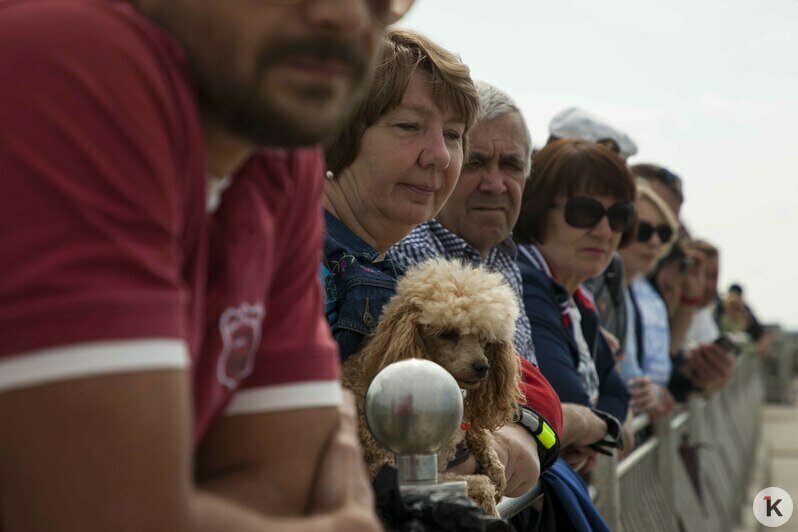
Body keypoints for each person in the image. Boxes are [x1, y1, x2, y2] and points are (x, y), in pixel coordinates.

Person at [0, 1, 416, 529]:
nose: (347, 15)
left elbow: (289, 485)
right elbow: (100, 516)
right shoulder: (63, 56)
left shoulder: (278, 157)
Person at [321, 35, 562, 500]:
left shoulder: (378, 263)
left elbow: (525, 378)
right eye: (409, 126)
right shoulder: (297, 264)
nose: (440, 155)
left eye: (453, 135)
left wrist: (527, 433)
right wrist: (461, 461)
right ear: (341, 130)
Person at [513, 139, 634, 473]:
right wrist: (611, 430)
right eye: (584, 212)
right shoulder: (526, 284)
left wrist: (597, 429)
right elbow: (570, 402)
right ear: (539, 209)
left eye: (619, 216)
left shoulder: (578, 300)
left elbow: (618, 395)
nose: (605, 231)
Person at [616, 181, 679, 417]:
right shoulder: (598, 293)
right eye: (642, 231)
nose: (654, 242)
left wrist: (656, 394)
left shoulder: (643, 294)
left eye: (662, 233)